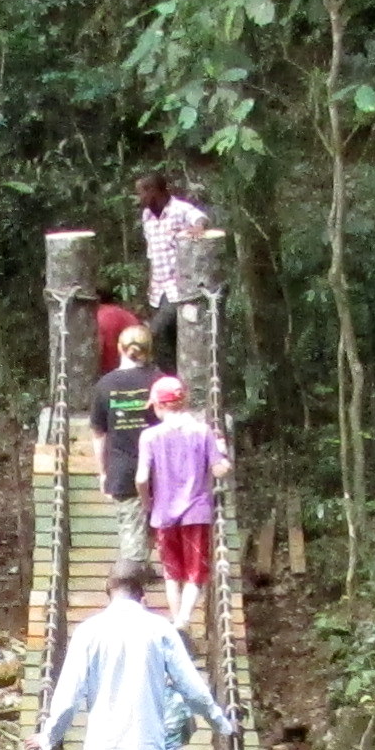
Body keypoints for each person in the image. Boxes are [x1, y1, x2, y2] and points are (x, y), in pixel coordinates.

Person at [32, 553, 234, 750]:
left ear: (107, 589)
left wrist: (48, 737)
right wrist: (221, 724)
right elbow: (193, 688)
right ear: (144, 594)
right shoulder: (160, 631)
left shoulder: (88, 632)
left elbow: (68, 695)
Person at [136, 374, 229, 623]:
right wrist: (224, 457)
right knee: (195, 573)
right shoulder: (203, 431)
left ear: (160, 405)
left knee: (171, 573)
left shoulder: (149, 436)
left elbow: (142, 478)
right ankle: (183, 620)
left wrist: (148, 504)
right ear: (183, 402)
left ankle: (177, 620)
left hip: (163, 514)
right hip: (197, 512)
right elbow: (219, 469)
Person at [90, 324, 159, 552]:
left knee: (131, 537)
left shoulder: (105, 385)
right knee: (158, 530)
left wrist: (103, 472)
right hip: (160, 469)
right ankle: (147, 573)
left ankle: (133, 578)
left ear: (120, 348)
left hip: (123, 470)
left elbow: (99, 435)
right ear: (149, 350)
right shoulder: (160, 382)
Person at [138, 171, 217, 363]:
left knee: (154, 331)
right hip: (159, 288)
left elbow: (199, 217)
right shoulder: (147, 216)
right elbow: (152, 253)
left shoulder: (179, 209)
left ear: (153, 191)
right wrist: (150, 284)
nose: (139, 198)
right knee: (170, 340)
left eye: (141, 192)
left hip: (179, 286)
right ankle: (176, 380)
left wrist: (198, 227)